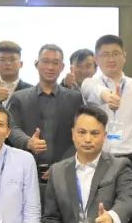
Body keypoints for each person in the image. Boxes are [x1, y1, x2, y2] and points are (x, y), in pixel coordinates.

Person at [80, 35, 132, 175]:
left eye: (116, 54)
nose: (111, 59)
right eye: (105, 55)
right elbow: (93, 90)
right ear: (96, 59)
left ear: (124, 56)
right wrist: (107, 95)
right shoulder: (90, 83)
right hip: (101, 157)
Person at [8, 44, 81, 178]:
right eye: (45, 61)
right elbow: (11, 127)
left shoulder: (75, 98)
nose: (50, 67)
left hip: (64, 171)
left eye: (55, 63)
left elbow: (80, 132)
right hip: (25, 170)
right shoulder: (19, 97)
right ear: (37, 64)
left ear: (62, 67)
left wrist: (62, 165)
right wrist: (27, 141)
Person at [0, 40, 33, 107]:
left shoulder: (31, 91)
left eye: (12, 59)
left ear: (21, 64)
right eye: (2, 59)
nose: (7, 63)